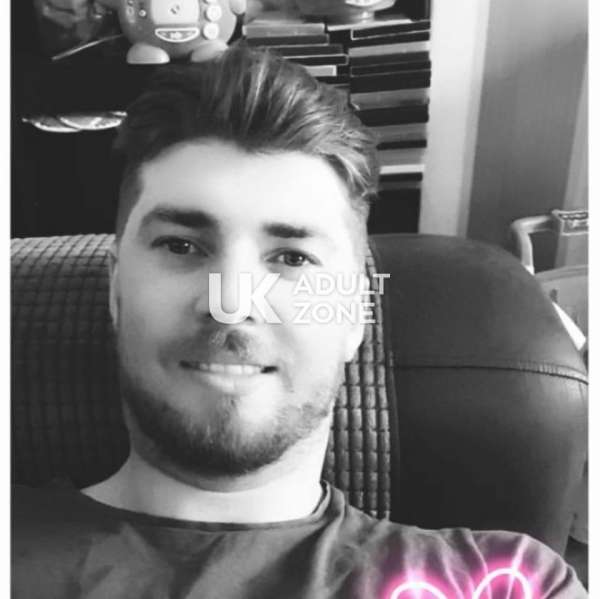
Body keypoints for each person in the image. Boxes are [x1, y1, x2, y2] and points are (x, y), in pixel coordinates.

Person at [12, 44, 586, 599]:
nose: (233, 302)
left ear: (354, 311)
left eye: (292, 258)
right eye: (182, 246)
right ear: (116, 290)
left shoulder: (507, 584)